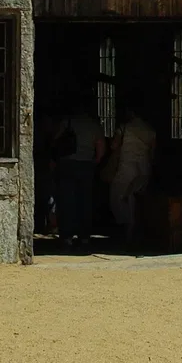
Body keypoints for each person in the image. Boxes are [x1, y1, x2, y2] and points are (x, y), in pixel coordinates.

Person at [53, 103, 105, 250]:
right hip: (86, 166)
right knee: (85, 201)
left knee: (66, 201)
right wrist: (95, 161)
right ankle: (85, 237)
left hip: (67, 164)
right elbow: (101, 147)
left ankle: (67, 236)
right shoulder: (95, 126)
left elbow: (55, 141)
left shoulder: (67, 122)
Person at [109, 96, 156, 242]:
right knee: (135, 198)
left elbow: (113, 146)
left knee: (117, 197)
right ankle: (135, 226)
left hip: (126, 167)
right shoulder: (151, 131)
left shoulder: (124, 128)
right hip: (144, 168)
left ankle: (126, 225)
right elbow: (152, 154)